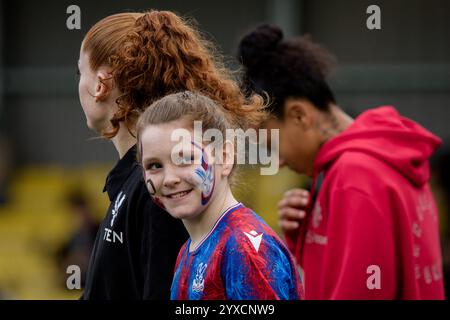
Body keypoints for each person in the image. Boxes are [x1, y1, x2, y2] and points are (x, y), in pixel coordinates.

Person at [237, 24, 445, 299]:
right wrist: (307, 233)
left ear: (299, 115)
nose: (279, 163)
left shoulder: (355, 176)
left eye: (272, 147)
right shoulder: (387, 156)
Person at [77, 10, 263, 299]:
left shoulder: (162, 192)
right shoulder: (135, 184)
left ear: (100, 84)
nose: (167, 177)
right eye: (153, 166)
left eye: (80, 72)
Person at [137, 91, 303, 300]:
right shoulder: (189, 250)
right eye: (154, 166)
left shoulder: (242, 248)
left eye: (185, 158)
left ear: (224, 158)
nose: (169, 179)